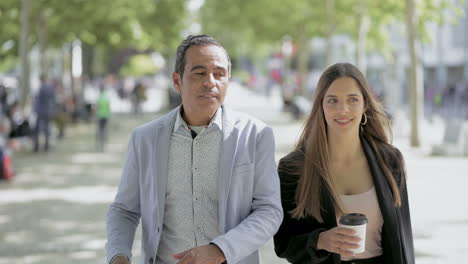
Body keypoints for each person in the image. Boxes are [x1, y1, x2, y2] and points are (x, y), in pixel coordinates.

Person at [106, 35, 283, 264]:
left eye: (219, 74)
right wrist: (119, 256)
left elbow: (269, 210)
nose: (210, 82)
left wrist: (220, 250)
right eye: (199, 73)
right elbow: (124, 210)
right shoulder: (145, 139)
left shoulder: (256, 135)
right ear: (177, 81)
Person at [273, 63, 414, 264]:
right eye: (332, 100)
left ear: (365, 103)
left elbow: (403, 238)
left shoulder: (390, 161)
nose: (343, 109)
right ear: (320, 105)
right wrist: (319, 241)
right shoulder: (294, 168)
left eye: (353, 99)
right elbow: (283, 242)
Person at [33, 74, 55, 152]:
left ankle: (37, 146)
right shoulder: (50, 87)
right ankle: (46, 146)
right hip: (47, 111)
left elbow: (37, 101)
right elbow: (53, 99)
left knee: (38, 129)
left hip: (40, 111)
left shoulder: (40, 88)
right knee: (46, 129)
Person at [96, 86, 111, 151]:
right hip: (106, 115)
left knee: (100, 128)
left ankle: (101, 139)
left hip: (100, 115)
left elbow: (97, 106)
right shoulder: (106, 97)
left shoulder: (99, 97)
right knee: (105, 128)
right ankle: (104, 139)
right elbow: (108, 106)